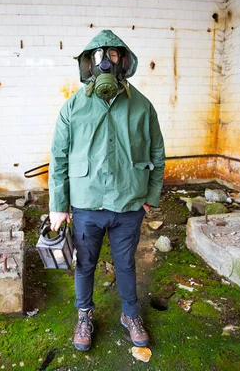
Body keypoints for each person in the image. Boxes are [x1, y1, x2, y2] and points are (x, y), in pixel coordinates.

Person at [48, 30, 165, 351]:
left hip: (129, 204)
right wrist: (58, 205)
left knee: (126, 264)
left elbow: (157, 154)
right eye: (99, 55)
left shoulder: (142, 106)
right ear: (89, 63)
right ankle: (84, 315)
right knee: (85, 264)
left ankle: (130, 315)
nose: (106, 62)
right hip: (86, 204)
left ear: (124, 60)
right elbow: (58, 158)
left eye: (113, 54)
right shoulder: (72, 107)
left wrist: (150, 198)